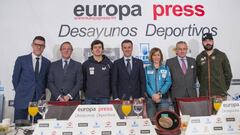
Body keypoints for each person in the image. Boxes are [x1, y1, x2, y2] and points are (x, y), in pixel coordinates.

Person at [12, 36, 51, 122]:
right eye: (36, 44)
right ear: (32, 45)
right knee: (19, 128)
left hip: (39, 102)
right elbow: (15, 79)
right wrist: (22, 92)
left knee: (37, 128)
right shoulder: (21, 60)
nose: (39, 47)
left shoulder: (47, 63)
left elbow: (47, 81)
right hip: (22, 100)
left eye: (42, 45)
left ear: (44, 47)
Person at [196, 33, 232, 97]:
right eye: (205, 41)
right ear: (202, 43)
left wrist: (223, 88)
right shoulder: (199, 57)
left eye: (209, 40)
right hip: (204, 95)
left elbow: (228, 74)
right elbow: (199, 76)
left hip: (220, 95)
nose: (208, 43)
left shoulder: (221, 55)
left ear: (213, 42)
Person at [166, 41, 197, 110]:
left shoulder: (193, 61)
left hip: (191, 95)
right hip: (177, 96)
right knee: (179, 118)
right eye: (180, 49)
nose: (182, 51)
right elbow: (168, 80)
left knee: (192, 118)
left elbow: (194, 77)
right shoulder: (169, 62)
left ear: (187, 50)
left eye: (184, 49)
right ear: (176, 50)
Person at [82, 40, 113, 104]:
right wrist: (88, 92)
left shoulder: (109, 64)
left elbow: (112, 81)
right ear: (92, 50)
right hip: (89, 98)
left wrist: (108, 93)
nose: (97, 49)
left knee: (105, 114)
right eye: (95, 47)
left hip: (105, 98)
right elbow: (83, 81)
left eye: (99, 47)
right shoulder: (86, 64)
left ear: (103, 50)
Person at [145, 47, 172, 119]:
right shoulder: (147, 68)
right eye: (154, 55)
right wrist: (153, 95)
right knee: (151, 120)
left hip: (163, 99)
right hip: (151, 99)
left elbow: (168, 82)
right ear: (151, 56)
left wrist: (159, 93)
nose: (156, 57)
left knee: (164, 120)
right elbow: (146, 83)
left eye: (158, 55)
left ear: (161, 56)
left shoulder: (166, 68)